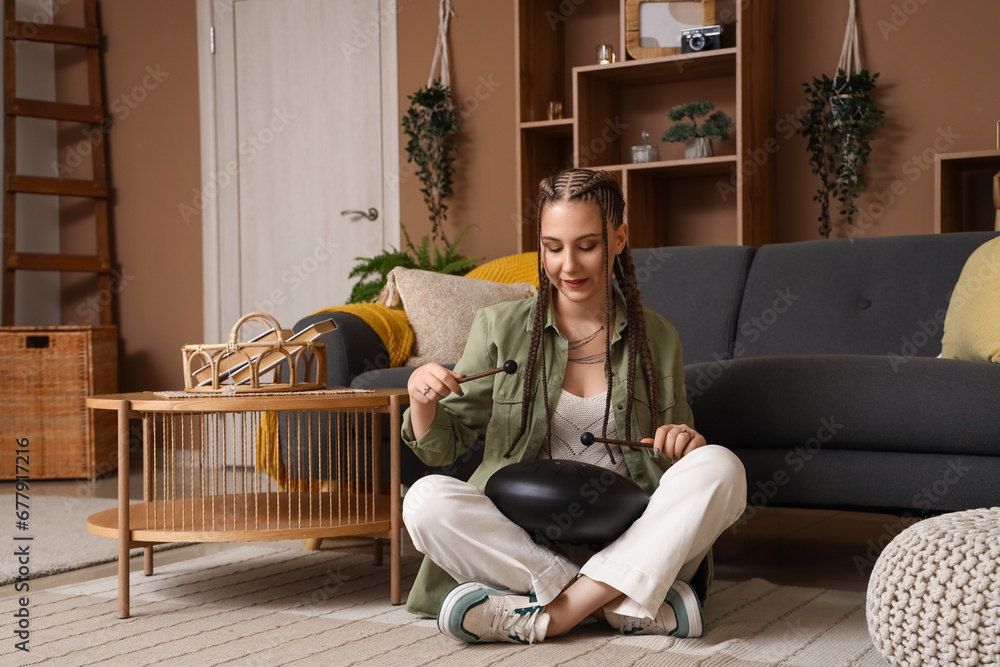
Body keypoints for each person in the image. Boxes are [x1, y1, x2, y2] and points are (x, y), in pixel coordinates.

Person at [401, 168, 747, 644]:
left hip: (631, 537)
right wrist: (421, 398)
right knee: (424, 501)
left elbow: (678, 454)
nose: (568, 265)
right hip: (523, 543)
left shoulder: (657, 336)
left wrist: (685, 442)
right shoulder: (498, 327)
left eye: (587, 246)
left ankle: (553, 615)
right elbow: (443, 448)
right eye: (553, 247)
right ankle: (617, 604)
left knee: (721, 466)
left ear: (619, 239)